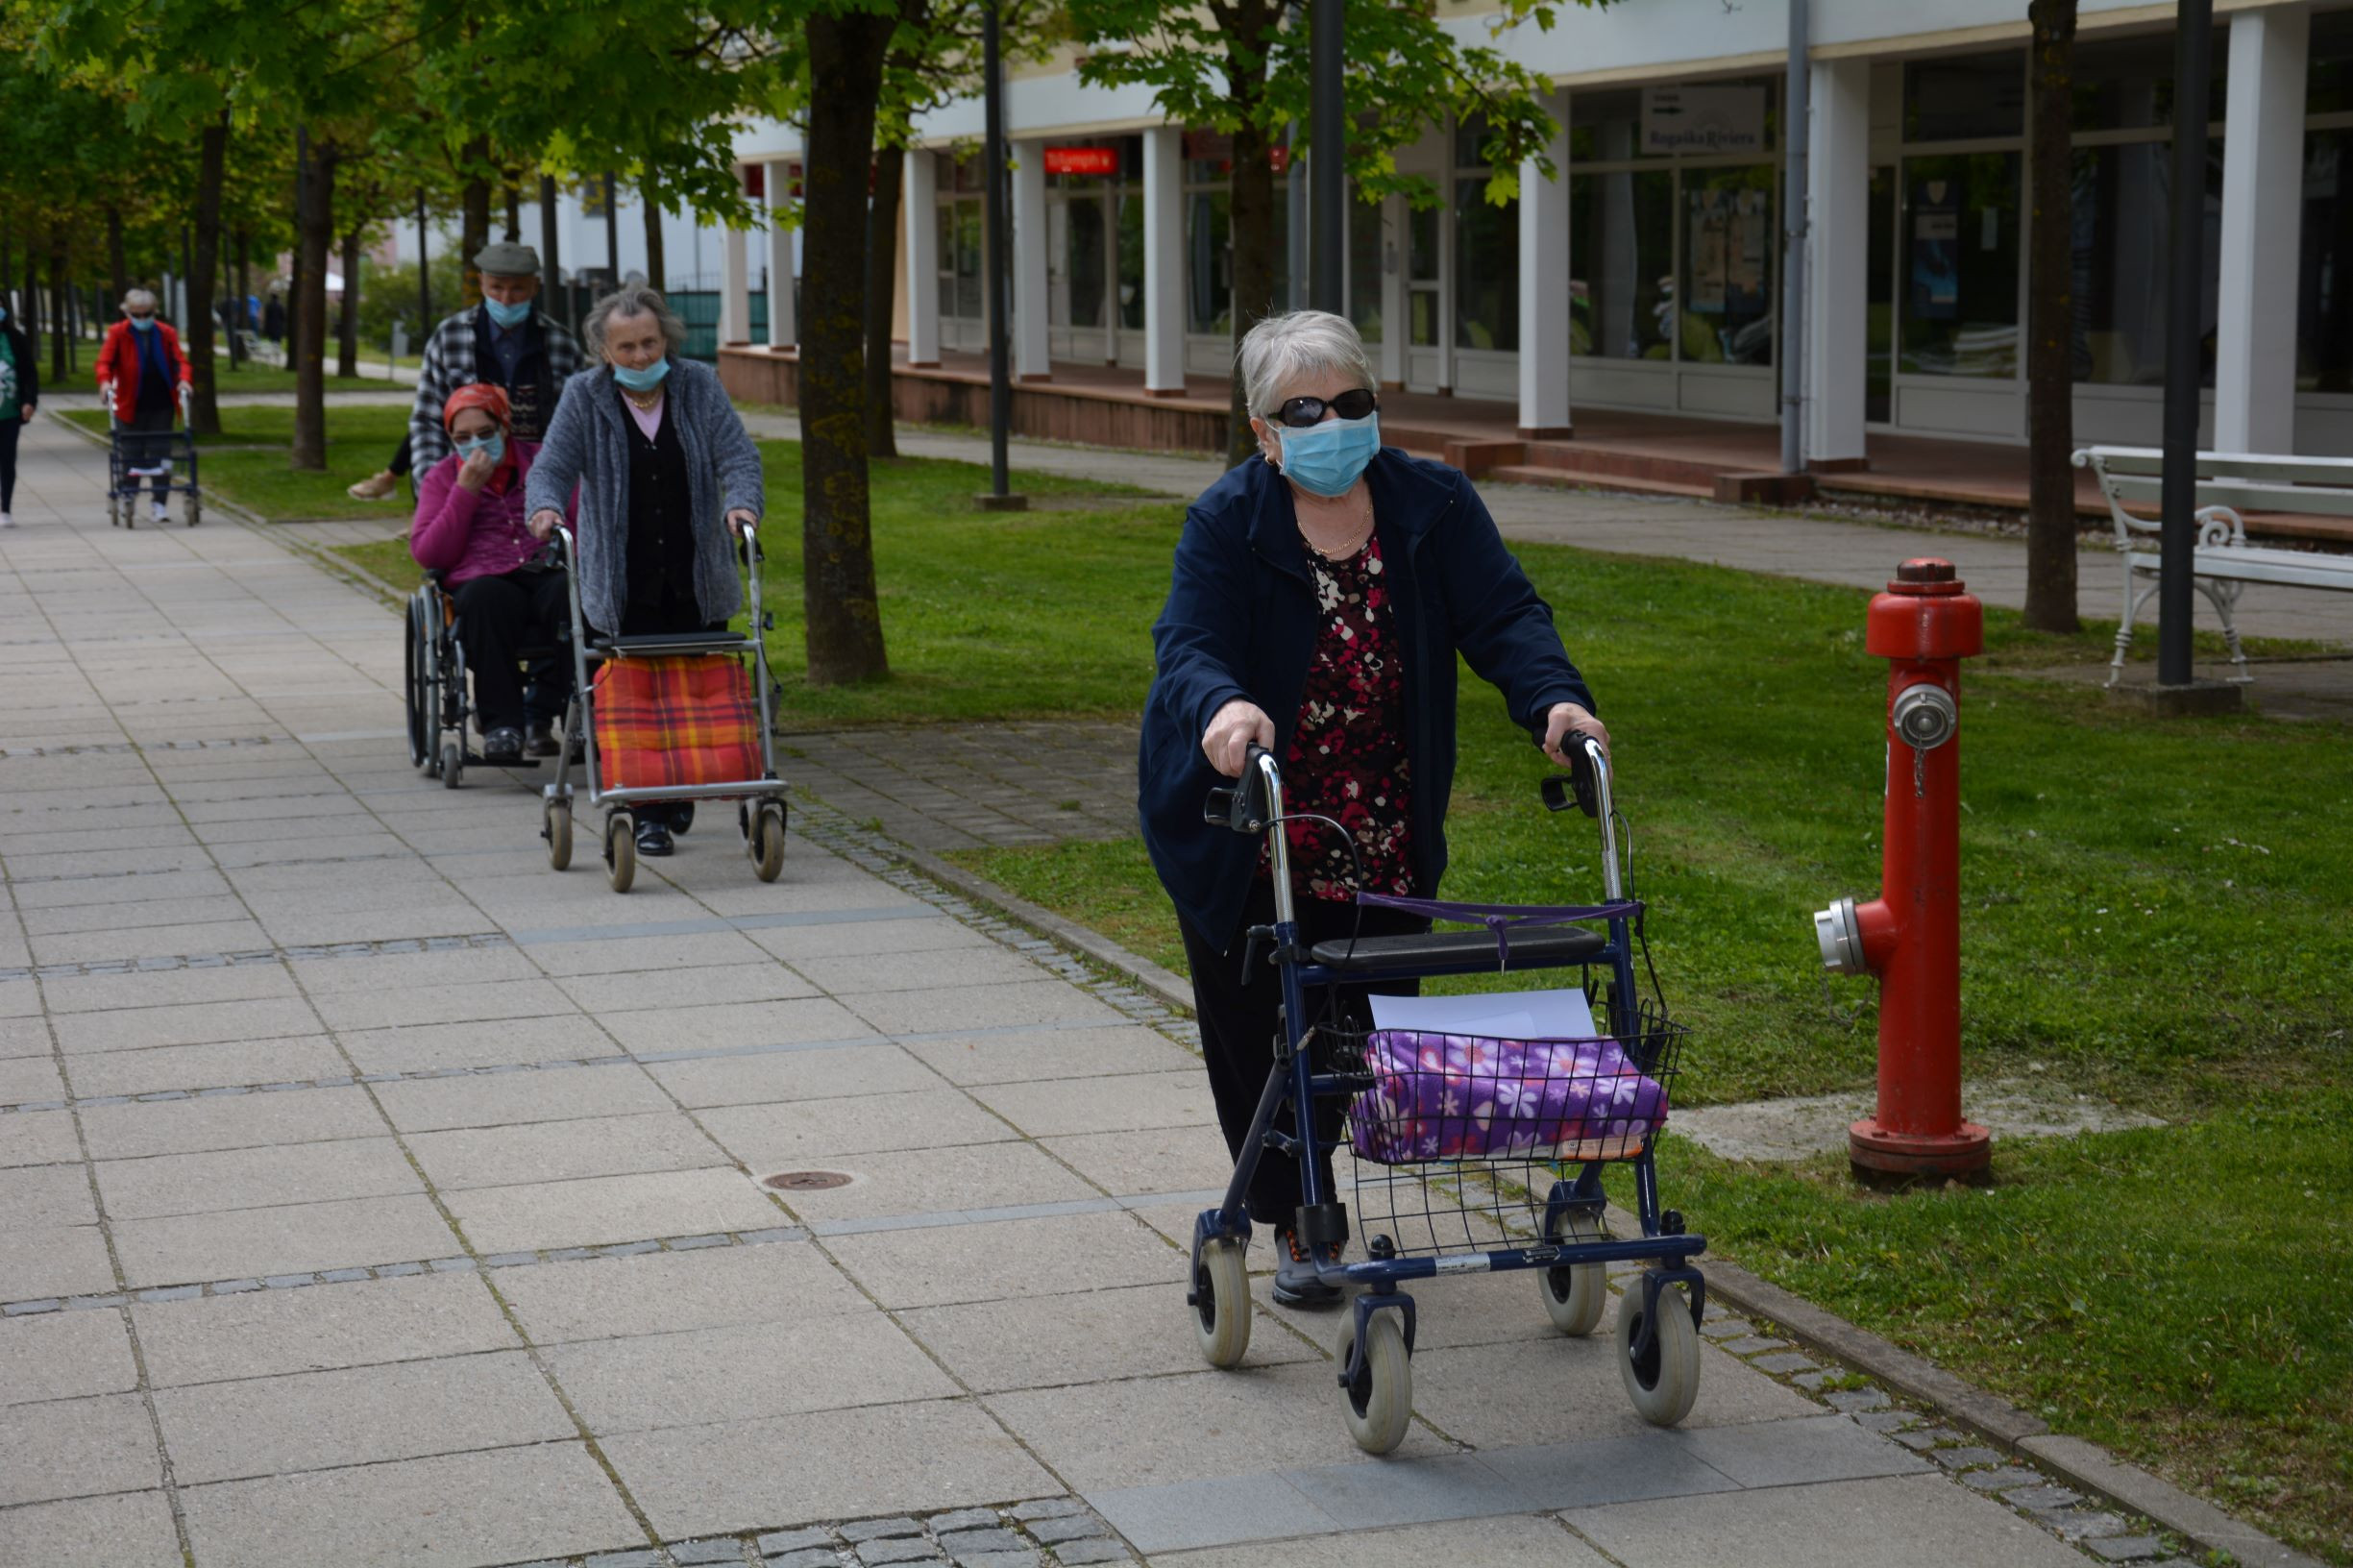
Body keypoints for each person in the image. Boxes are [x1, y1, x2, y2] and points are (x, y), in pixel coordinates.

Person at [1138, 309, 1609, 1309]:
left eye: (1350, 402)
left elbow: (1505, 614)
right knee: (1263, 1033)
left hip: (1379, 821)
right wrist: (1221, 706)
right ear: (1262, 431)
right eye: (1301, 408)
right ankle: (1298, 1219)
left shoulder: (1428, 504)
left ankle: (1324, 1172)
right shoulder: (1229, 521)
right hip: (1246, 822)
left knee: (1355, 1028)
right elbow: (1187, 640)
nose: (1331, 422)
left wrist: (1554, 699)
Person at [523, 283, 764, 860]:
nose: (639, 357)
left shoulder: (698, 385)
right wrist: (545, 507)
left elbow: (737, 454)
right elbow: (552, 465)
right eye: (626, 347)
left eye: (649, 344)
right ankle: (646, 813)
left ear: (667, 341)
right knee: (635, 698)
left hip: (696, 571)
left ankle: (680, 788)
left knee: (693, 687)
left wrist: (742, 503)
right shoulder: (585, 395)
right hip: (621, 581)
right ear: (604, 351)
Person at [409, 384, 575, 764]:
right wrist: (466, 490)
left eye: (485, 433)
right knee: (487, 598)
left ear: (504, 426)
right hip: (483, 579)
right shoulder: (442, 478)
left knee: (572, 594)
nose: (476, 444)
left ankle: (581, 715)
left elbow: (580, 520)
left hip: (545, 567)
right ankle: (503, 724)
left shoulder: (543, 463)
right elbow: (430, 552)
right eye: (462, 438)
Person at [355, 240, 579, 502]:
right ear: (482, 283)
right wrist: (432, 489)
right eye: (497, 288)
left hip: (536, 490)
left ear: (534, 287)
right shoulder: (449, 337)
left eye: (517, 289)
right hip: (465, 485)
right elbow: (428, 421)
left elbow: (574, 427)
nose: (506, 300)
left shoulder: (560, 343)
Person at [93, 289, 193, 525]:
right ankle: (129, 495)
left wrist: (185, 380)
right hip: (130, 404)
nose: (142, 319)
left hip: (161, 403)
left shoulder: (166, 333)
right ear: (128, 313)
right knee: (131, 455)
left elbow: (180, 361)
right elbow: (104, 362)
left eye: (146, 314)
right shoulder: (118, 333)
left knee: (161, 455)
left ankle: (159, 504)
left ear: (154, 312)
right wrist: (105, 381)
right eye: (136, 314)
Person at [0, 297, 37, 529]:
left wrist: (29, 401)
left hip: (10, 412)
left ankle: (5, 508)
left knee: (7, 460)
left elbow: (29, 373)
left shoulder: (15, 339)